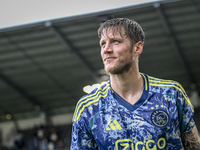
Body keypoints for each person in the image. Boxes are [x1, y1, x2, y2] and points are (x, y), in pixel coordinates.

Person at [70, 18, 200, 150]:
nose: (106, 50)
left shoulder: (171, 93)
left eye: (115, 41)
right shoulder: (89, 107)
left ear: (137, 48)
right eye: (103, 44)